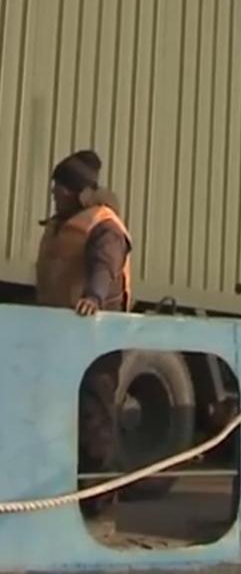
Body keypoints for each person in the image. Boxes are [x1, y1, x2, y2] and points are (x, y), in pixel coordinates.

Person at [37, 150, 132, 523]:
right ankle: (62, 500)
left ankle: (99, 509)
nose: (55, 193)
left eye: (61, 187)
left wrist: (93, 296)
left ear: (78, 192)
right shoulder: (62, 223)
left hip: (95, 341)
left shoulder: (103, 226)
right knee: (57, 421)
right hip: (58, 337)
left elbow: (103, 264)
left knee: (94, 421)